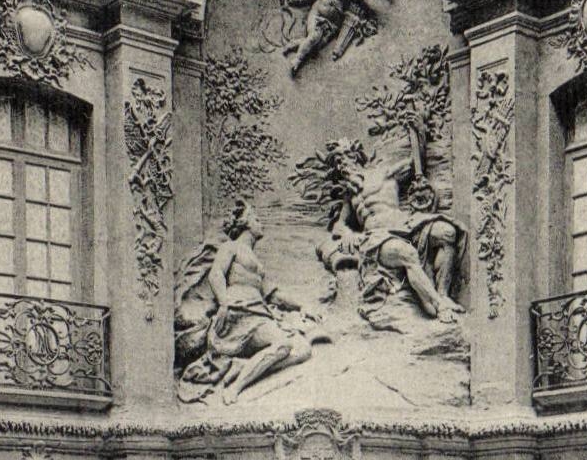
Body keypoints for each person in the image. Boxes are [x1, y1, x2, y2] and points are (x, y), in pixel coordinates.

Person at [176, 202, 324, 402]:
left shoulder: (258, 264)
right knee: (283, 345)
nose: (260, 223)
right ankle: (235, 387)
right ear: (245, 223)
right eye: (256, 219)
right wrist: (224, 303)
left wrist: (301, 306)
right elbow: (216, 274)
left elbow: (274, 295)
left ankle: (242, 367)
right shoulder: (231, 248)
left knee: (303, 349)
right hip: (239, 314)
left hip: (260, 315)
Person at [321, 131, 465, 320]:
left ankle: (443, 294)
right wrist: (347, 234)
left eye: (342, 159)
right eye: (336, 165)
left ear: (354, 156)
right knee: (407, 254)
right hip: (378, 236)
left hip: (406, 224)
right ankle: (439, 305)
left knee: (447, 232)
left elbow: (414, 165)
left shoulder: (383, 173)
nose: (341, 166)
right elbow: (339, 226)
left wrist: (419, 134)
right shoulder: (350, 195)